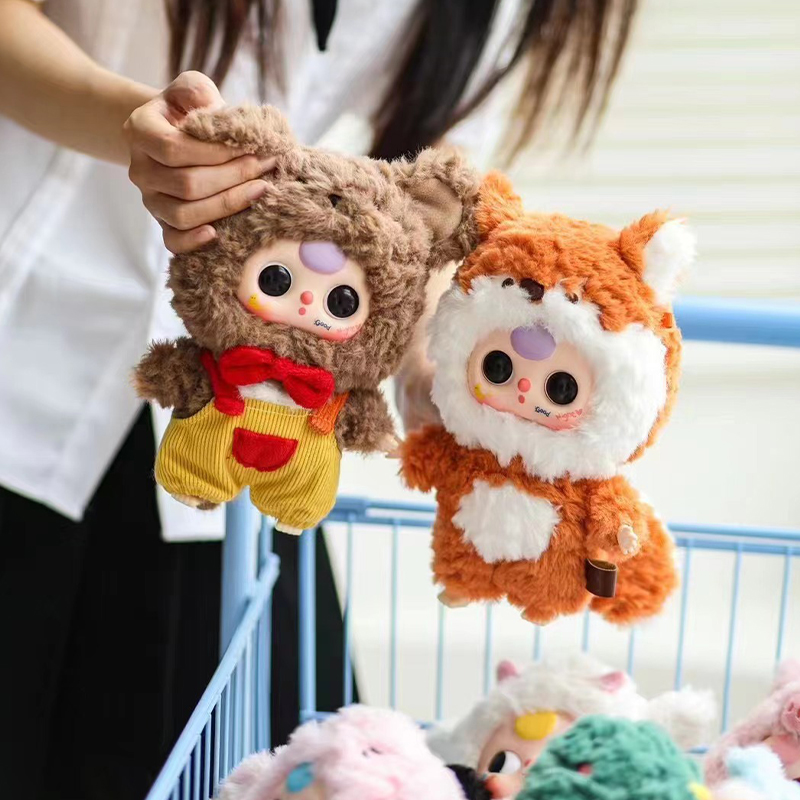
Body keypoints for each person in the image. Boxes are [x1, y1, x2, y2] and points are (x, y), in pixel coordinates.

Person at [0, 1, 638, 798]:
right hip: (26, 330)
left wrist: (430, 371)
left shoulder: (488, 14)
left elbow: (428, 213)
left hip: (253, 413)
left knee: (287, 761)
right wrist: (132, 128)